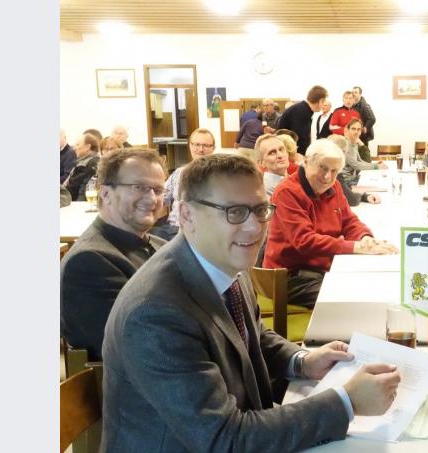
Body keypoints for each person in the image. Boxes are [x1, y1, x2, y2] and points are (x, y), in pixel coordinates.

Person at [101, 153, 401, 452]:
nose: (255, 228)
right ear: (186, 215)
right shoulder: (154, 313)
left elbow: (250, 334)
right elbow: (226, 439)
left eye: (260, 210)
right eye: (234, 212)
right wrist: (346, 402)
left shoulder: (223, 262)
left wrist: (302, 361)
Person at [61, 148, 167, 360]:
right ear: (106, 193)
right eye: (139, 187)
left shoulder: (159, 244)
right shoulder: (89, 262)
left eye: (158, 189)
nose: (152, 198)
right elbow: (131, 346)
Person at [264, 139, 397, 307]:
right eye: (323, 168)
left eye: (334, 171)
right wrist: (356, 247)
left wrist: (365, 238)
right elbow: (304, 241)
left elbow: (349, 221)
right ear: (306, 162)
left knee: (376, 285)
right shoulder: (287, 192)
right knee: (355, 300)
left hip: (319, 270)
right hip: (289, 277)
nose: (327, 177)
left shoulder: (334, 186)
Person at [159, 129, 216, 240]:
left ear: (213, 148)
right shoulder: (179, 173)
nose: (200, 149)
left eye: (206, 145)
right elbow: (161, 198)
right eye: (197, 144)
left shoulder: (220, 177)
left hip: (203, 232)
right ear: (190, 146)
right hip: (173, 229)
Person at [328, 134, 383, 207]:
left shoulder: (354, 146)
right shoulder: (334, 172)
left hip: (348, 184)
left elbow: (364, 161)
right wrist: (362, 195)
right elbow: (352, 200)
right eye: (344, 152)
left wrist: (364, 196)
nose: (345, 156)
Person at [276, 85, 328, 155]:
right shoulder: (302, 112)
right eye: (324, 101)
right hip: (288, 152)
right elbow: (300, 140)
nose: (324, 104)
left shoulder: (303, 109)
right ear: (320, 101)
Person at [340, 119, 386, 186]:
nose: (356, 132)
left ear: (361, 131)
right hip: (346, 182)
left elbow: (360, 161)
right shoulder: (346, 144)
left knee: (378, 181)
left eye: (358, 129)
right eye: (353, 129)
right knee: (375, 185)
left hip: (353, 178)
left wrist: (375, 165)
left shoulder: (354, 143)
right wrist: (376, 166)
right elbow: (355, 165)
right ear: (348, 130)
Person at [63, 133, 100, 201]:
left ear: (87, 147)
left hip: (76, 203)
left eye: (77, 144)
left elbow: (77, 187)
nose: (74, 148)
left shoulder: (92, 163)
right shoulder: (83, 161)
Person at [256, 134, 290, 198]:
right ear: (261, 163)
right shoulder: (261, 190)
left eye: (281, 149)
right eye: (272, 152)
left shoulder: (297, 180)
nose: (280, 155)